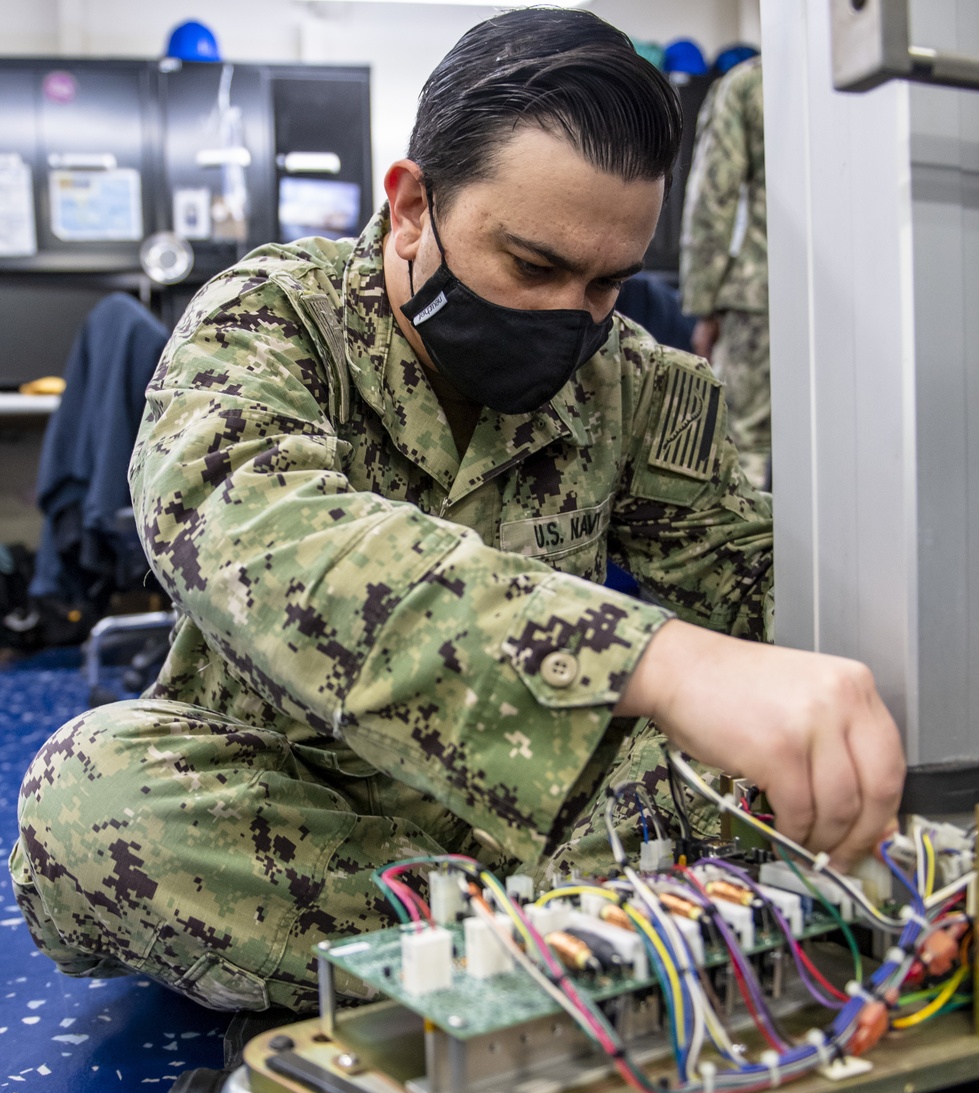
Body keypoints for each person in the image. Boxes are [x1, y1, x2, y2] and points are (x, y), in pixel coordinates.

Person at [9, 11, 904, 1015]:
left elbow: (758, 586)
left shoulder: (644, 388)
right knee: (89, 805)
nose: (571, 315)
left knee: (803, 747)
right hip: (296, 803)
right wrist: (660, 662)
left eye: (607, 282)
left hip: (541, 803)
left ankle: (492, 955)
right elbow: (266, 546)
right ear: (408, 209)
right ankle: (572, 943)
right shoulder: (269, 322)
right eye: (530, 265)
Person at [680, 55, 771, 491]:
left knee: (743, 445)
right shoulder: (864, 70)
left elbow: (714, 198)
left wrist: (703, 306)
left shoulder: (751, 83)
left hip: (759, 294)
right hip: (859, 293)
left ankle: (752, 558)